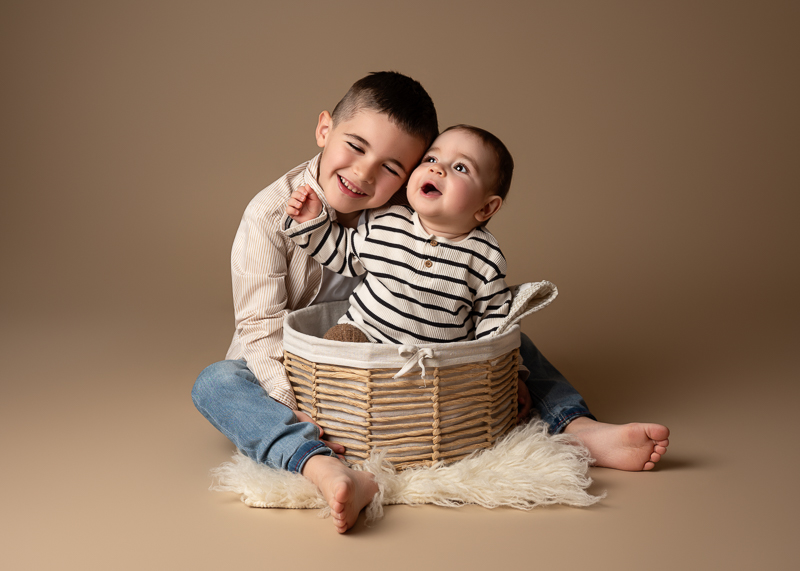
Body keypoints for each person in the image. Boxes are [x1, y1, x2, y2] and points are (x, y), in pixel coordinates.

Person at [192, 71, 669, 534]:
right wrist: (291, 399)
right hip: (295, 363)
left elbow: (462, 267)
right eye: (354, 147)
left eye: (392, 167)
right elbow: (259, 325)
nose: (363, 174)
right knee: (217, 382)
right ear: (324, 129)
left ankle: (575, 424)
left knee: (505, 330)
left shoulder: (406, 203)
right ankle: (318, 463)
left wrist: (500, 367)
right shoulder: (269, 214)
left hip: (404, 345)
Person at [282, 124, 513, 345]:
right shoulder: (389, 222)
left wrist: (502, 368)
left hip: (437, 364)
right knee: (339, 343)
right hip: (364, 340)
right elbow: (344, 252)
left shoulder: (485, 257)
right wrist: (312, 222)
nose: (437, 168)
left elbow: (495, 318)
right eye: (431, 159)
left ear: (486, 207)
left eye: (460, 167)